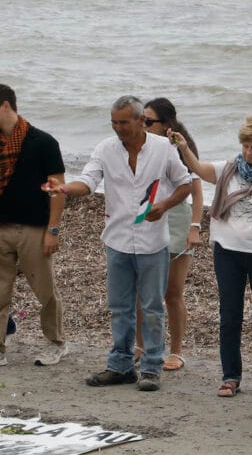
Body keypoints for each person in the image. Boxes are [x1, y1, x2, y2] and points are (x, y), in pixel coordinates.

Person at [57, 96, 192, 391]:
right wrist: (66, 188)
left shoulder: (162, 149)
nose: (118, 128)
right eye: (114, 122)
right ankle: (120, 365)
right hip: (117, 239)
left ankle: (151, 367)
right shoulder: (105, 149)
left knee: (153, 305)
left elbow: (186, 184)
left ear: (140, 120)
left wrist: (165, 205)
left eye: (124, 122)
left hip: (153, 241)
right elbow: (89, 181)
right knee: (119, 306)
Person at [175, 116, 252, 398]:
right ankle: (231, 376)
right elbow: (198, 169)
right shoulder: (227, 169)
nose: (249, 152)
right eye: (245, 145)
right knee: (230, 315)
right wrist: (183, 147)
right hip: (227, 253)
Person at [0, 84, 67, 367]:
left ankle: (56, 342)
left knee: (45, 290)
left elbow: (58, 188)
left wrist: (53, 229)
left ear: (5, 106)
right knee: (0, 291)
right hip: (1, 227)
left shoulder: (42, 142)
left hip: (34, 228)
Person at [139, 98, 203, 372]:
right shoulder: (140, 147)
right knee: (142, 291)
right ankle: (140, 347)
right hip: (146, 218)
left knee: (172, 292)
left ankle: (176, 351)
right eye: (141, 120)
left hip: (177, 219)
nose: (143, 126)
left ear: (166, 124)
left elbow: (197, 189)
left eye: (149, 122)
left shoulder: (180, 147)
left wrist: (195, 226)